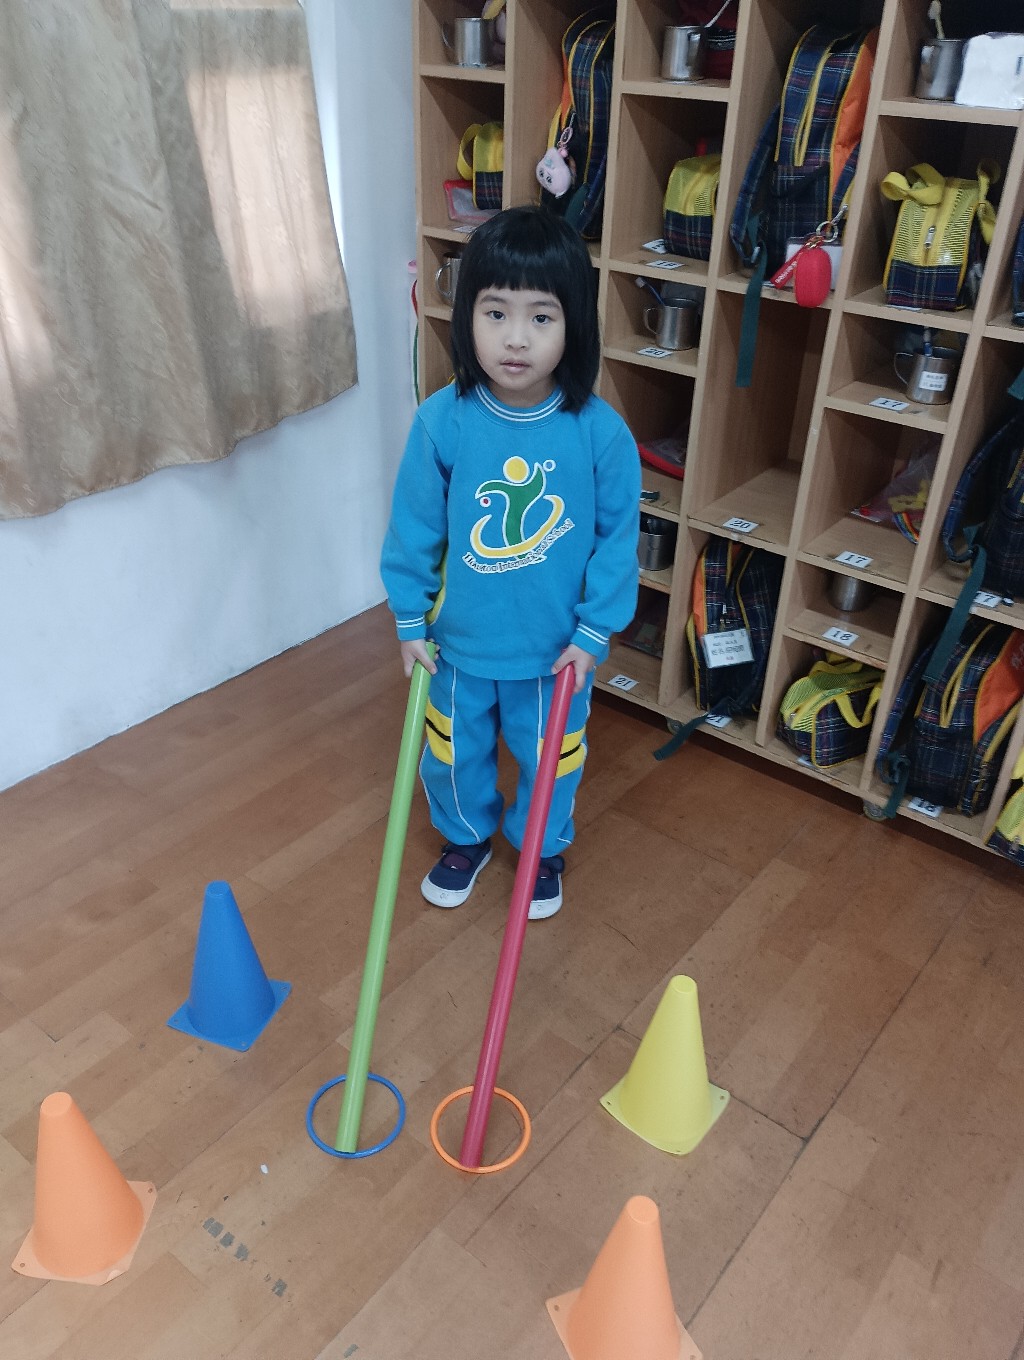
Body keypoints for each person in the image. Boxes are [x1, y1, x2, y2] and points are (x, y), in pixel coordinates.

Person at [380, 204, 640, 920]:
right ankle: (464, 838)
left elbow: (617, 541)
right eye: (495, 313)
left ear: (574, 325)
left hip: (555, 654)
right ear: (467, 316)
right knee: (451, 753)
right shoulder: (442, 421)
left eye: (541, 317)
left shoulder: (601, 434)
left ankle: (541, 848)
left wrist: (594, 632)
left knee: (553, 756)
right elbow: (413, 529)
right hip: (457, 647)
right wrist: (409, 618)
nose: (516, 338)